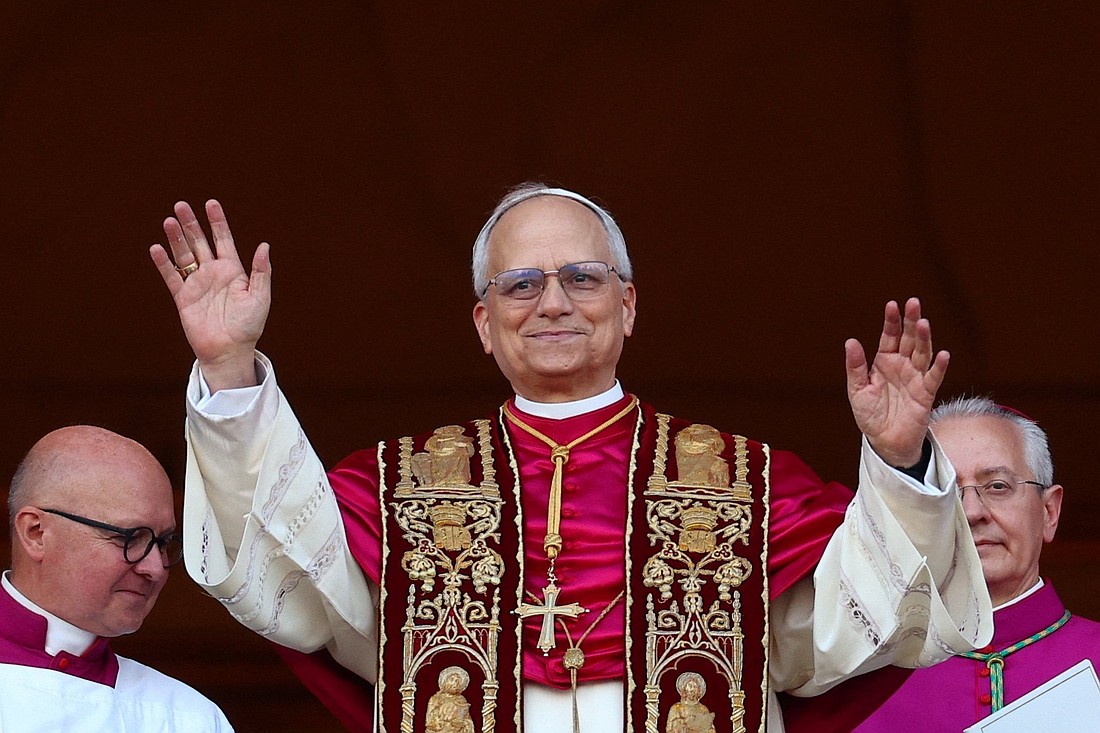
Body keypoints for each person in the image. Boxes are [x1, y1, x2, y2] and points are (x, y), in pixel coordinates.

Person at [148, 183, 992, 733]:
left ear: (628, 306)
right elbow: (284, 571)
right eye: (520, 284)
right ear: (484, 322)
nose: (552, 301)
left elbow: (856, 628)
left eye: (582, 278)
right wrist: (228, 370)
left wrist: (900, 458)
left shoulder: (748, 483)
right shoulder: (397, 488)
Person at [849, 397, 1100, 730]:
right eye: (945, 492)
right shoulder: (859, 683)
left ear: (1049, 512)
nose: (971, 512)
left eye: (998, 486)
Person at [1, 425, 234, 731]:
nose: (155, 568)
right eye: (128, 537)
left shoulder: (188, 717)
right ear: (36, 533)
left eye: (162, 543)